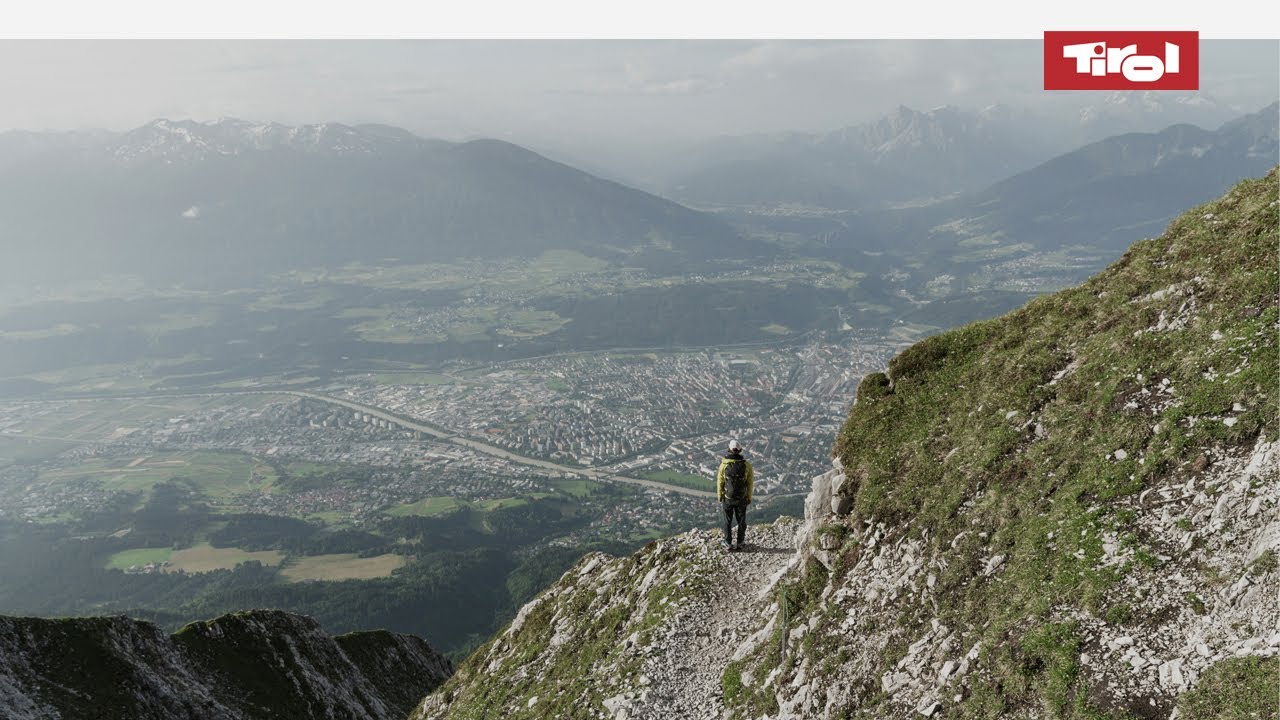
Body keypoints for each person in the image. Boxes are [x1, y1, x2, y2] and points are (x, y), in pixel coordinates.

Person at [717, 438, 754, 552]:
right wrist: (749, 496)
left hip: (728, 498)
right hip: (741, 498)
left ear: (729, 449)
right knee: (741, 520)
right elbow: (750, 482)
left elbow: (720, 481)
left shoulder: (724, 465)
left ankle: (728, 543)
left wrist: (720, 495)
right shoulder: (747, 465)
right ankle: (740, 542)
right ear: (740, 450)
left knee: (727, 520)